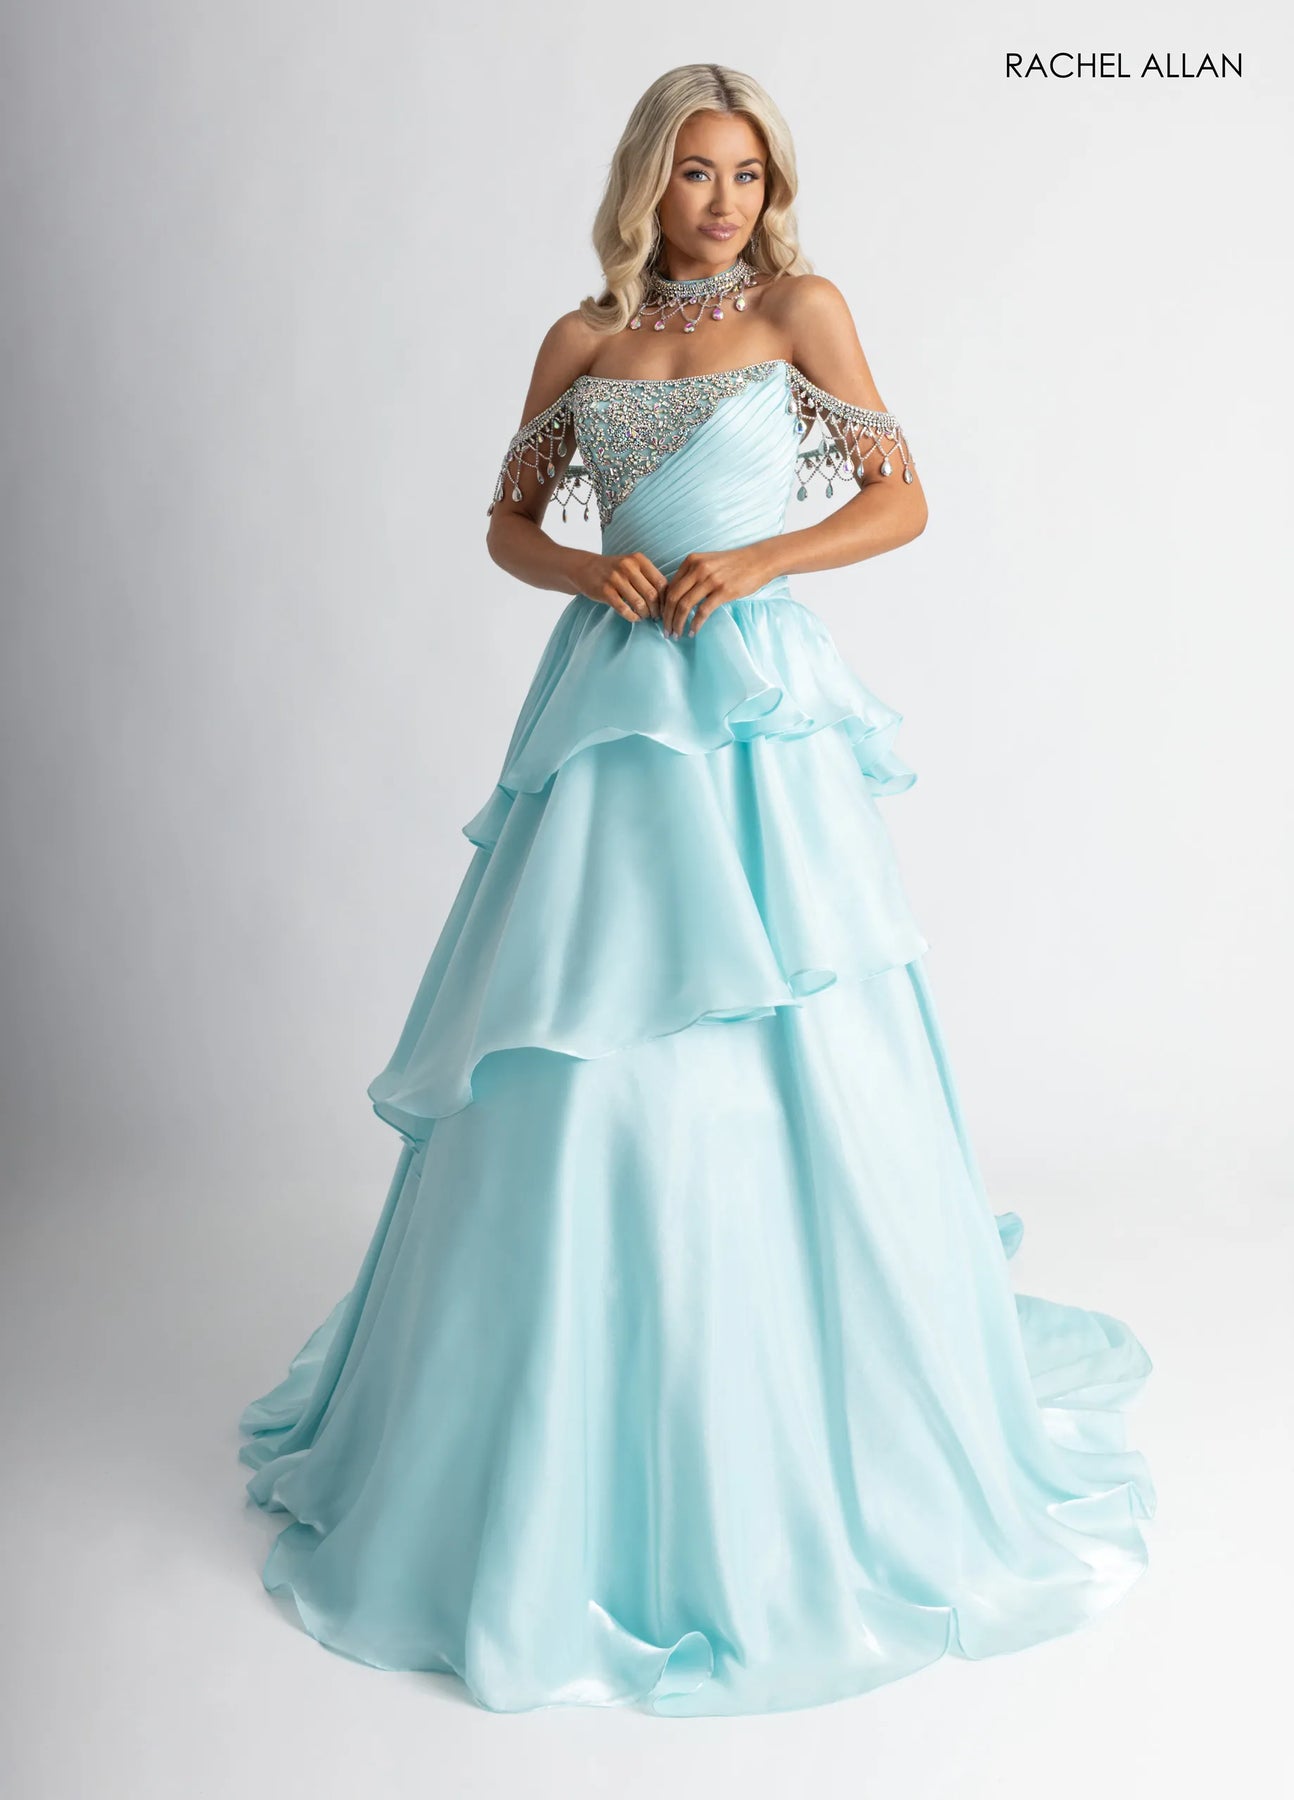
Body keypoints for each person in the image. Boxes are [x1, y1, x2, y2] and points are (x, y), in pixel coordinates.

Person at [237, 62, 1156, 1718]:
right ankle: (551, 1394)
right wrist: (589, 565)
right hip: (606, 700)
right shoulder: (580, 340)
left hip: (747, 704)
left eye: (744, 173)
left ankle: (797, 1372)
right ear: (644, 183)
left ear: (768, 187)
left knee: (781, 998)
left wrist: (754, 560)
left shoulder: (803, 310)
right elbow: (507, 522)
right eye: (693, 172)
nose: (722, 200)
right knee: (580, 1010)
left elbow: (899, 495)